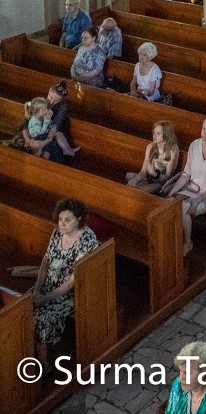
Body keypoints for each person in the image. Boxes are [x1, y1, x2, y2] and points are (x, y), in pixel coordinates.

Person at [32, 198, 99, 365]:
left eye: (67, 220)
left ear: (79, 220)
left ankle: (44, 364)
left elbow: (72, 282)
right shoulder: (57, 233)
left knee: (40, 318)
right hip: (48, 286)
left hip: (70, 293)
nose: (62, 223)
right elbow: (46, 261)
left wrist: (44, 298)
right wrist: (37, 289)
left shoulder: (86, 239)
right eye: (60, 219)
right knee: (22, 309)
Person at [167, 117, 206, 256]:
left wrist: (197, 200)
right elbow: (186, 174)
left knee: (184, 208)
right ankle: (172, 242)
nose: (204, 133)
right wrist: (172, 192)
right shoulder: (195, 145)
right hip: (191, 188)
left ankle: (188, 242)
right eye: (203, 129)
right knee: (169, 203)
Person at [163, 340, 206, 414]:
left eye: (187, 373)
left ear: (204, 373)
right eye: (180, 371)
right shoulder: (177, 385)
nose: (181, 378)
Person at [126, 120, 180, 193]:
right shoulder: (150, 146)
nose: (154, 135)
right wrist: (135, 181)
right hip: (150, 177)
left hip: (162, 182)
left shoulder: (172, 150)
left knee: (139, 191)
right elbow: (143, 171)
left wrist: (154, 173)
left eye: (158, 133)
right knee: (129, 179)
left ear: (166, 135)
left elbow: (167, 177)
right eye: (154, 132)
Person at [20, 96, 65, 162]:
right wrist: (46, 121)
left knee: (51, 149)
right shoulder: (34, 121)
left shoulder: (40, 116)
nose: (46, 110)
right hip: (37, 137)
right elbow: (41, 132)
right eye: (44, 109)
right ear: (38, 112)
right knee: (44, 152)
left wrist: (49, 119)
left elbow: (49, 126)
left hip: (42, 136)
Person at [45, 82, 78, 156]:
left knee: (59, 133)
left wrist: (54, 127)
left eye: (56, 101)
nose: (53, 101)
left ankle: (68, 149)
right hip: (40, 125)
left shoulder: (63, 105)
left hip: (53, 124)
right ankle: (66, 149)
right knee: (56, 134)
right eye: (51, 98)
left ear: (61, 100)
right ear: (50, 90)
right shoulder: (41, 102)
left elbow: (58, 119)